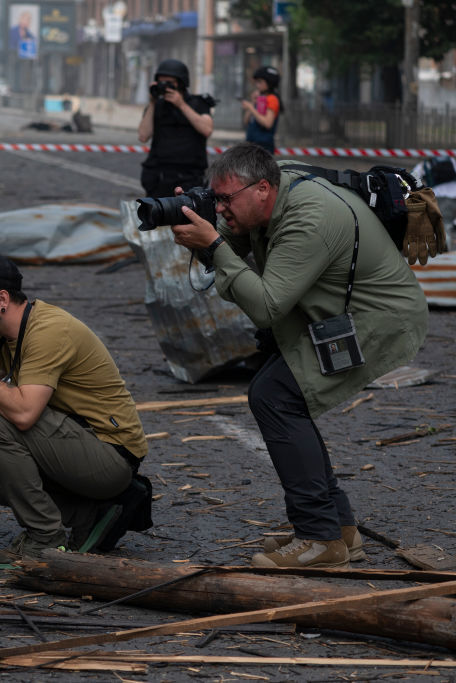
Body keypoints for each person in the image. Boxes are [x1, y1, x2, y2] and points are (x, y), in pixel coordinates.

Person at [169, 143, 428, 568]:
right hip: (338, 314)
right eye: (213, 198)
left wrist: (214, 245)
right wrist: (198, 225)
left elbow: (268, 307)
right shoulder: (270, 192)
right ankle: (339, 530)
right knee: (279, 394)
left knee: (275, 396)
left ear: (263, 188)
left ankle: (320, 539)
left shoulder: (309, 219)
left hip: (380, 320)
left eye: (224, 199)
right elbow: (235, 247)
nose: (219, 207)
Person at [0, 253, 151, 568]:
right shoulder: (11, 336)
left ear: (1, 299)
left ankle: (46, 538)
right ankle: (87, 514)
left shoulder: (48, 330)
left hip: (111, 456)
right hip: (76, 445)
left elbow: (23, 414)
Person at [138, 59, 214, 198]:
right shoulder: (157, 106)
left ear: (181, 83)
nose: (164, 86)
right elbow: (143, 136)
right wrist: (152, 103)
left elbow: (207, 129)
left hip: (188, 177)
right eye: (161, 82)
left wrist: (181, 105)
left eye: (169, 83)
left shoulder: (198, 103)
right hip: (159, 177)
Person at [242, 65, 283, 154]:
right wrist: (252, 102)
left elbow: (268, 123)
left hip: (263, 147)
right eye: (256, 82)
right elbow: (246, 121)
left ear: (269, 83)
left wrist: (251, 108)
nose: (257, 85)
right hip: (251, 144)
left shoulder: (272, 99)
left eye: (260, 82)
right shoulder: (260, 99)